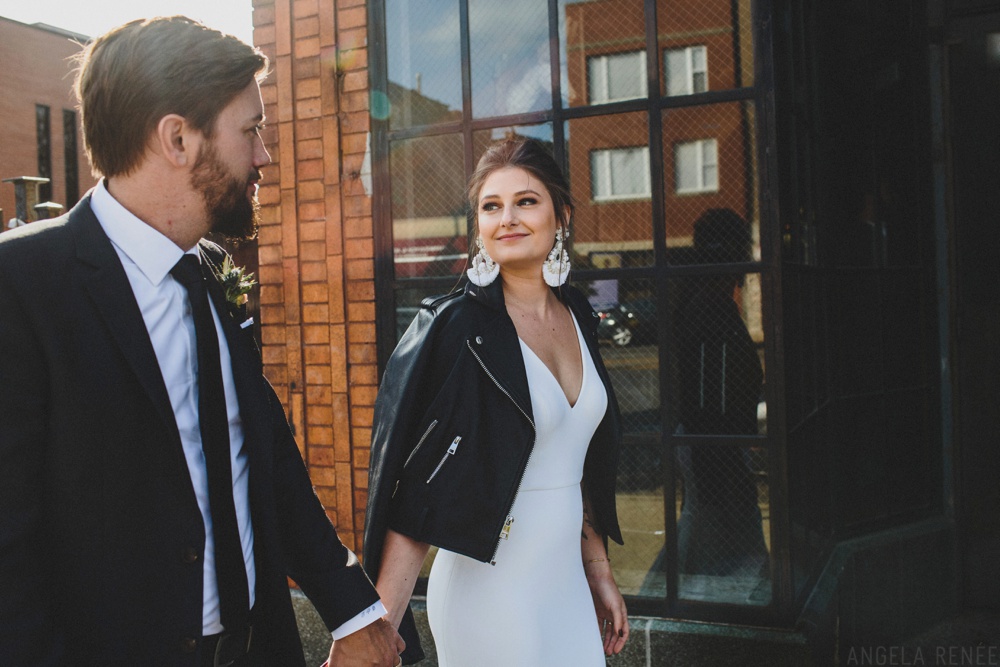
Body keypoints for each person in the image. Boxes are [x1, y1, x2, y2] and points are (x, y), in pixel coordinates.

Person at [0, 17, 404, 666]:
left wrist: (352, 608)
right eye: (251, 131)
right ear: (178, 139)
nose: (264, 155)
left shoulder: (208, 269)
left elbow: (262, 451)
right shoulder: (21, 288)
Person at [363, 138, 630, 665]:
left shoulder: (577, 312)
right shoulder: (457, 328)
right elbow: (419, 490)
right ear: (479, 226)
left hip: (568, 590)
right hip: (490, 598)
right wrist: (378, 630)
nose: (507, 218)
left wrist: (598, 571)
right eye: (491, 206)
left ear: (562, 215)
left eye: (526, 201)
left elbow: (580, 462)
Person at [674, 208, 768, 580]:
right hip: (713, 439)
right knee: (713, 517)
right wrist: (718, 446)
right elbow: (709, 387)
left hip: (714, 437)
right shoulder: (711, 308)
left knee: (710, 518)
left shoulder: (705, 303)